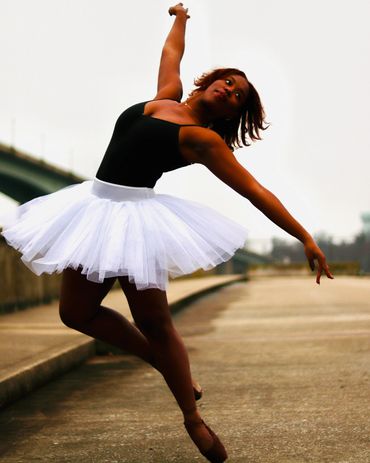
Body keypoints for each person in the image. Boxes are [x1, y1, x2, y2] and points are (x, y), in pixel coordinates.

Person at [1, 3, 334, 462]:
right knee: (75, 313)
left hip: (135, 221)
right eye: (228, 81)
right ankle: (162, 363)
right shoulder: (165, 96)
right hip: (93, 207)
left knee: (155, 321)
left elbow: (255, 191)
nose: (228, 90)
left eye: (237, 96)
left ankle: (192, 419)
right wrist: (180, 17)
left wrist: (305, 237)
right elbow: (171, 53)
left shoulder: (203, 140)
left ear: (232, 113)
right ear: (212, 79)